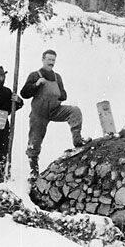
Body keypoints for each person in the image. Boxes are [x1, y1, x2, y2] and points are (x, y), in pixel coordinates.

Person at [20, 49, 88, 180]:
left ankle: (77, 140)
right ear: (43, 59)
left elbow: (63, 95)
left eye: (53, 60)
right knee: (35, 141)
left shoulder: (57, 77)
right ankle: (34, 170)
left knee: (75, 111)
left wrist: (57, 94)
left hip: (54, 110)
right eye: (49, 59)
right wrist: (36, 84)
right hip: (39, 113)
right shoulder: (35, 75)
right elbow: (24, 93)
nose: (51, 63)